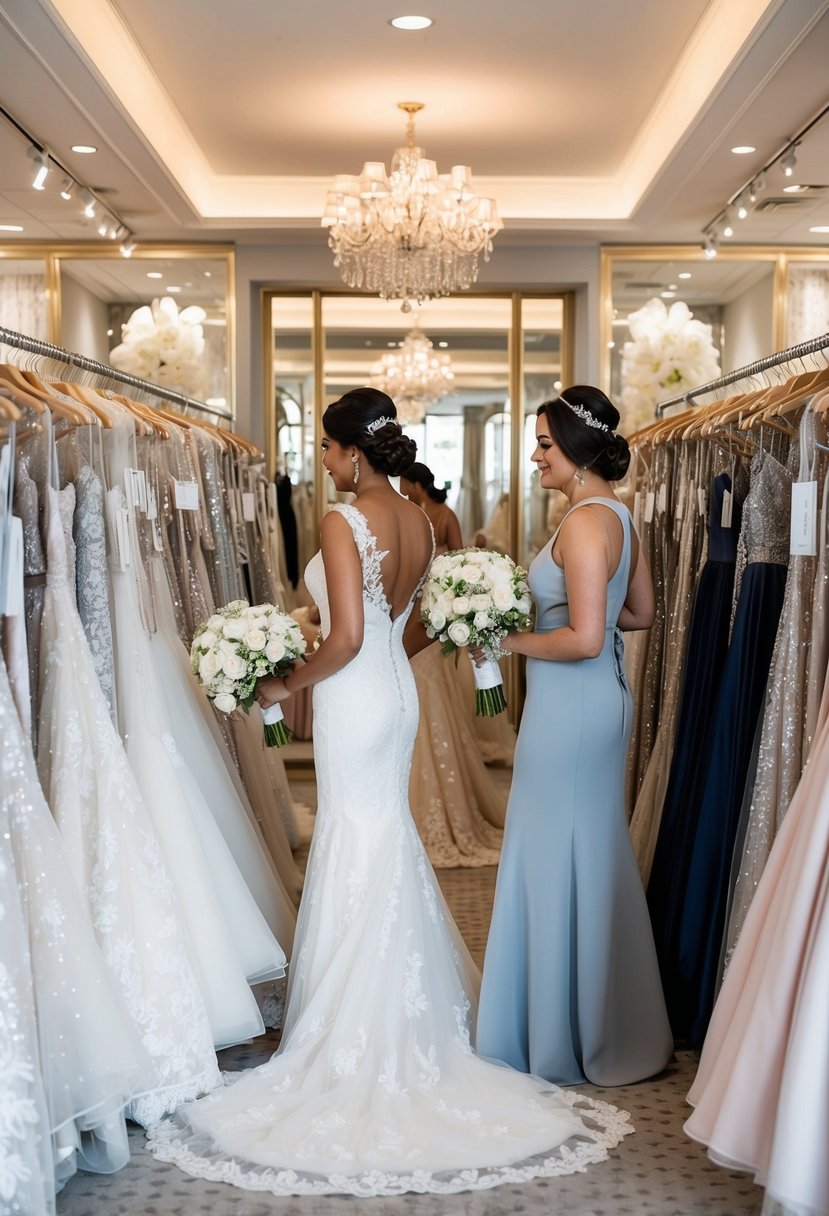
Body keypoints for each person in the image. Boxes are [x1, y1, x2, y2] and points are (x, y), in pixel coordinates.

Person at [146, 387, 630, 1196]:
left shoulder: (343, 521)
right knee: (381, 840)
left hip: (354, 697)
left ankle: (349, 1033)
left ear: (352, 452)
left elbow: (346, 635)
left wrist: (279, 687)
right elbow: (400, 627)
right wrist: (329, 647)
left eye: (328, 452)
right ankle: (399, 1018)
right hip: (391, 696)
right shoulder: (412, 516)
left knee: (353, 839)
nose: (323, 463)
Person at [477, 385, 673, 1087]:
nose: (534, 457)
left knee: (555, 851)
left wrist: (509, 639)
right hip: (591, 703)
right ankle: (597, 1020)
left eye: (544, 445)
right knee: (581, 852)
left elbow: (588, 637)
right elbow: (639, 613)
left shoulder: (587, 523)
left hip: (571, 708)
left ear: (579, 451)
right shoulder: (615, 514)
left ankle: (562, 1032)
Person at [400, 461, 507, 865]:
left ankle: (448, 800)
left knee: (435, 696)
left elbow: (461, 561)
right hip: (411, 612)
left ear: (415, 483)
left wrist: (453, 606)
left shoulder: (444, 515)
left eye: (406, 483)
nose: (404, 489)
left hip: (437, 614)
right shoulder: (410, 514)